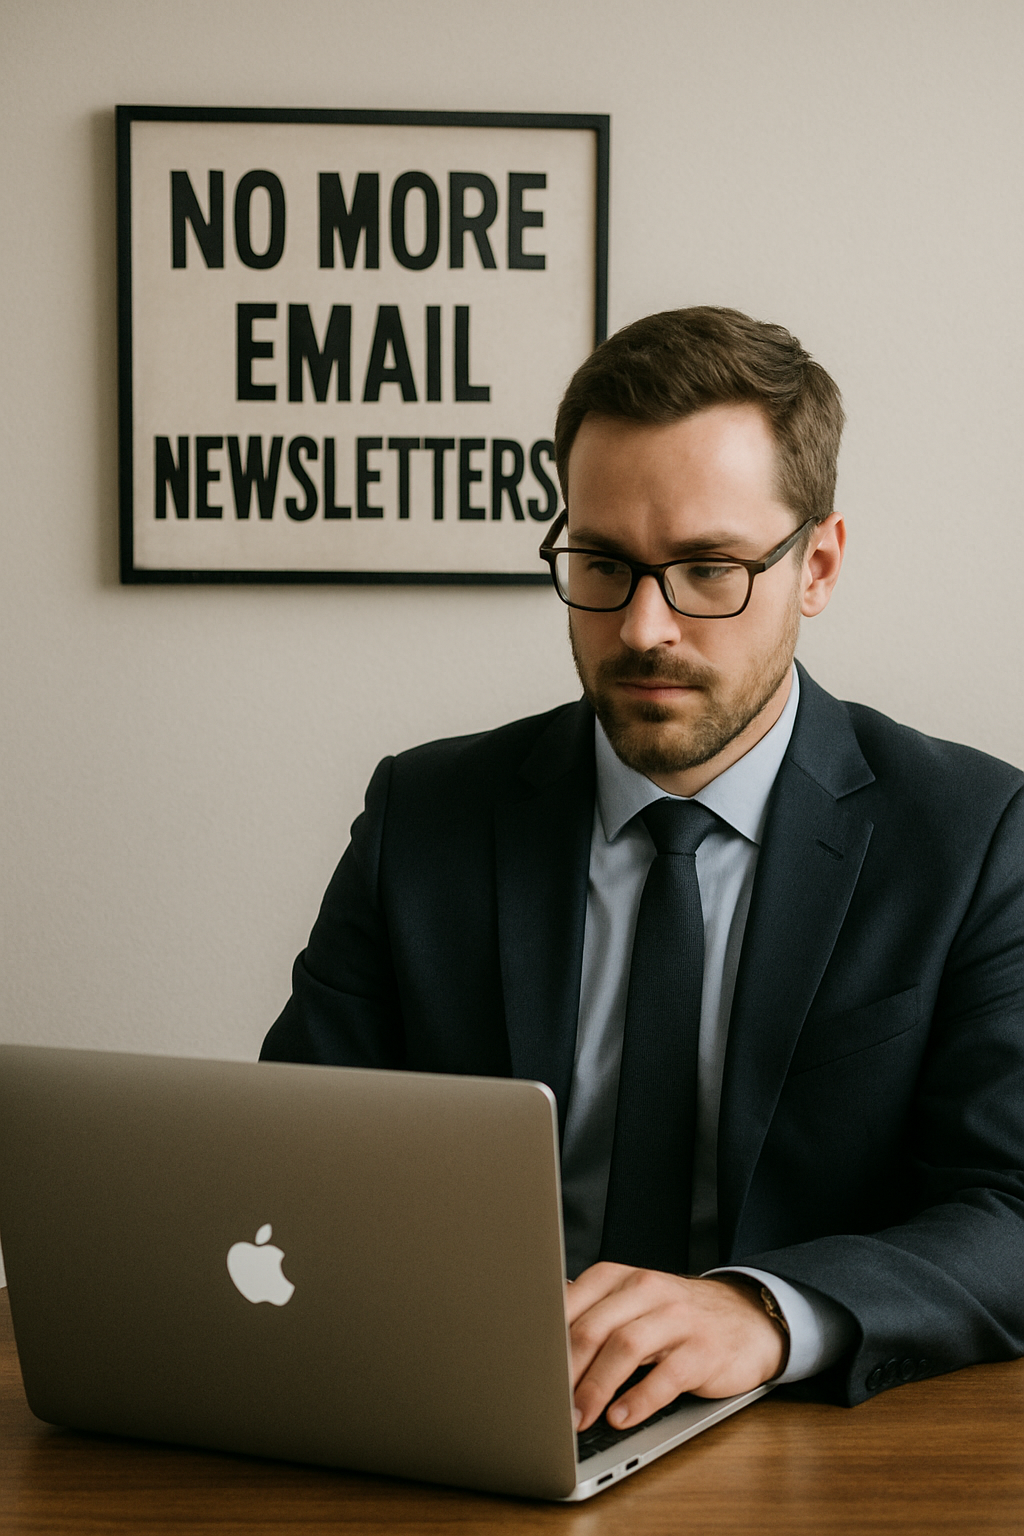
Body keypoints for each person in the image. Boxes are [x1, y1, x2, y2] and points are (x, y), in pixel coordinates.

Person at [261, 306, 1024, 1433]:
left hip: (810, 1443)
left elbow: (1009, 1204)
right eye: (602, 563)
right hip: (471, 1416)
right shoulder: (425, 815)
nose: (645, 628)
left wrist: (767, 1313)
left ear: (815, 564)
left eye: (709, 569)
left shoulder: (972, 832)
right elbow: (292, 1158)